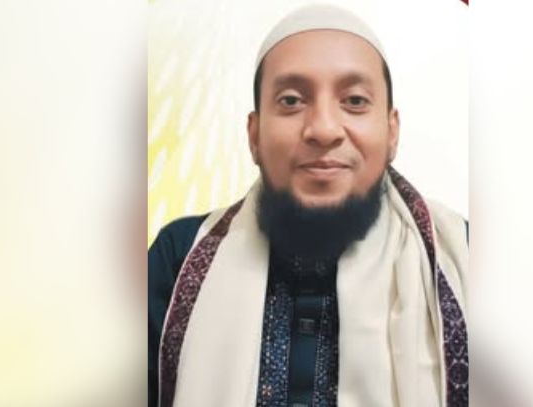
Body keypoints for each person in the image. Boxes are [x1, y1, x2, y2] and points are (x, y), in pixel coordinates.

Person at [148, 4, 468, 407]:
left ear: (391, 132)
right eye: (291, 100)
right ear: (254, 135)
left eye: (354, 100)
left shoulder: (464, 256)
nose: (324, 129)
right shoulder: (178, 258)